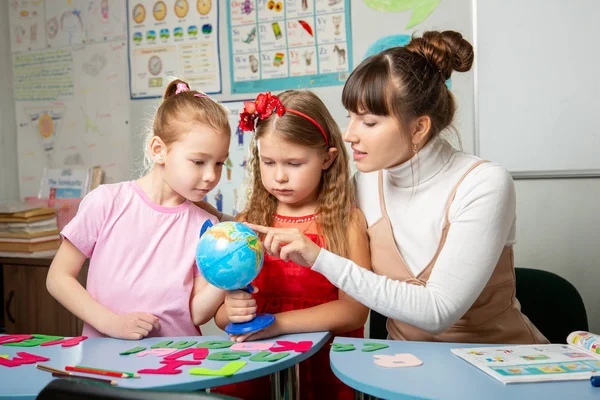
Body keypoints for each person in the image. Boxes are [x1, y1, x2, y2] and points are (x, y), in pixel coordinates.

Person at [245, 31, 549, 344]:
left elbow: (438, 312)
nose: (349, 134)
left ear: (418, 128)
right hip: (403, 368)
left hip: (497, 367)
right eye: (350, 117)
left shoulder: (484, 184)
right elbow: (295, 212)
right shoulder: (365, 182)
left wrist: (320, 258)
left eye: (369, 122)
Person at [213, 90, 372, 400]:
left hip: (326, 368)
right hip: (257, 368)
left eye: (294, 163)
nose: (280, 177)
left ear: (328, 158)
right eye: (268, 162)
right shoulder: (248, 222)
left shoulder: (346, 222)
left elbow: (354, 312)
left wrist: (278, 324)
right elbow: (221, 316)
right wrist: (232, 310)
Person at [46, 79, 231, 340]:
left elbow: (196, 315)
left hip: (178, 365)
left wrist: (229, 273)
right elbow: (58, 277)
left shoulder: (208, 226)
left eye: (220, 163)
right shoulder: (106, 202)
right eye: (199, 161)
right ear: (158, 150)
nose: (211, 176)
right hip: (106, 364)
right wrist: (110, 323)